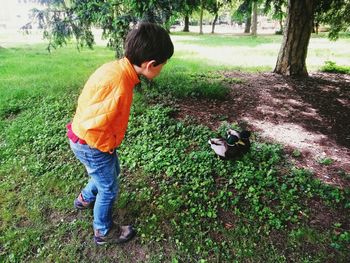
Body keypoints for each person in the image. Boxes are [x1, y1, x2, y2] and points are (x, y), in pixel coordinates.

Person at [66, 22, 174, 245]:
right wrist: (106, 146)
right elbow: (96, 123)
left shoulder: (117, 69)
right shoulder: (120, 84)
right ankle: (103, 231)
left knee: (110, 172)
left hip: (89, 140)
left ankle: (85, 198)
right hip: (93, 144)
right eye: (163, 64)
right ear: (150, 64)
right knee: (108, 188)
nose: (163, 68)